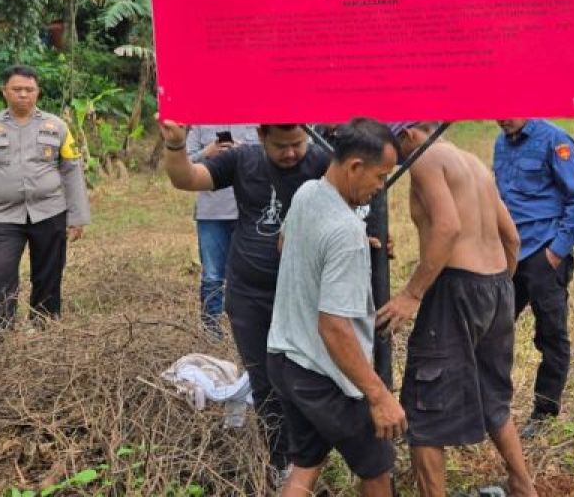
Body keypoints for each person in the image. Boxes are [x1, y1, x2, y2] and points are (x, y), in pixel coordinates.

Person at [159, 120, 329, 474]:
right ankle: (281, 465)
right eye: (282, 145)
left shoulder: (321, 161)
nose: (292, 153)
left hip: (305, 294)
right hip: (250, 295)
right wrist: (176, 146)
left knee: (304, 378)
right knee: (267, 382)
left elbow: (361, 194)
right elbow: (186, 179)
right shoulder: (242, 160)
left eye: (298, 143)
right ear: (262, 135)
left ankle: (311, 460)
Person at [378, 122, 536, 497]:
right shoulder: (474, 163)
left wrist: (413, 294)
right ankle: (522, 485)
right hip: (497, 284)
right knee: (492, 395)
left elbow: (447, 228)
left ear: (409, 134)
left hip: (456, 288)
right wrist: (499, 288)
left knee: (426, 405)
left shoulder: (425, 156)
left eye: (394, 143)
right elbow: (511, 236)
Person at [266, 118, 406, 497]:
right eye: (380, 177)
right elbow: (334, 327)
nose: (381, 188)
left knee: (306, 467)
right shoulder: (345, 232)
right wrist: (379, 396)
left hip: (286, 359)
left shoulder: (308, 192)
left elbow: (285, 244)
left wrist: (352, 247)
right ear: (355, 166)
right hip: (325, 375)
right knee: (376, 469)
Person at [0, 65, 90, 344]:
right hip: (6, 216)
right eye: (16, 89)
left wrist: (77, 217)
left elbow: (72, 171)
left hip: (50, 212)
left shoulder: (57, 127)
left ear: (37, 92)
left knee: (48, 275)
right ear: (4, 91)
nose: (23, 95)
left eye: (29, 90)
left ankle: (45, 331)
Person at [493, 118, 574, 436]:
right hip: (508, 253)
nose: (502, 117)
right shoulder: (500, 143)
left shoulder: (556, 140)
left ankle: (544, 413)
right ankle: (493, 405)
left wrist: (555, 252)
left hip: (543, 252)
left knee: (550, 334)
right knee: (494, 329)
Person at [185, 124, 260, 334]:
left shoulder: (255, 122)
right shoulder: (200, 125)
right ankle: (211, 331)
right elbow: (183, 162)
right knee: (212, 276)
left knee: (249, 274)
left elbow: (270, 158)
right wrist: (207, 152)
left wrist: (242, 150)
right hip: (210, 213)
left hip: (247, 212)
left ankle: (247, 329)